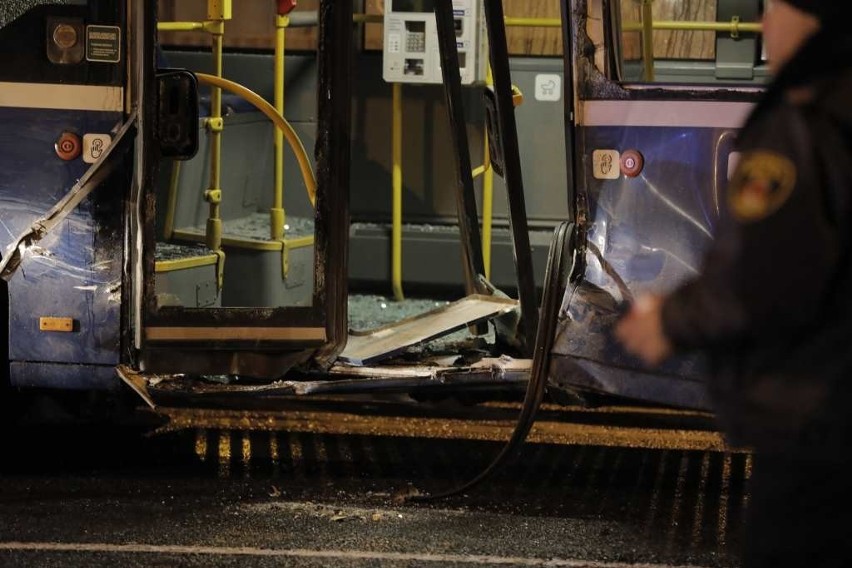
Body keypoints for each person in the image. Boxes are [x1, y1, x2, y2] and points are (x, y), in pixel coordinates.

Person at [615, 1, 852, 566]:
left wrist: (669, 322)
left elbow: (768, 271)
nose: (764, 26)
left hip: (818, 423)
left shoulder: (808, 117)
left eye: (774, 9)